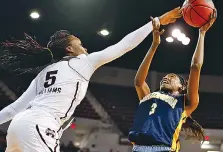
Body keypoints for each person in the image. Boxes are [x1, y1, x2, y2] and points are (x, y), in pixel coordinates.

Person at [0, 7, 182, 152]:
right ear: (69, 50)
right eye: (79, 43)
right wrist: (157, 21)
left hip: (18, 126)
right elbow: (124, 45)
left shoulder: (44, 73)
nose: (84, 46)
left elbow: (14, 109)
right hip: (40, 126)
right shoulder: (82, 63)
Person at [128, 11, 217, 152]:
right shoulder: (148, 96)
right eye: (166, 76)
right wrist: (154, 45)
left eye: (172, 77)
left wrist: (202, 34)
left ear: (182, 87)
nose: (167, 77)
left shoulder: (185, 102)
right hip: (138, 148)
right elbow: (138, 82)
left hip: (164, 149)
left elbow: (195, 66)